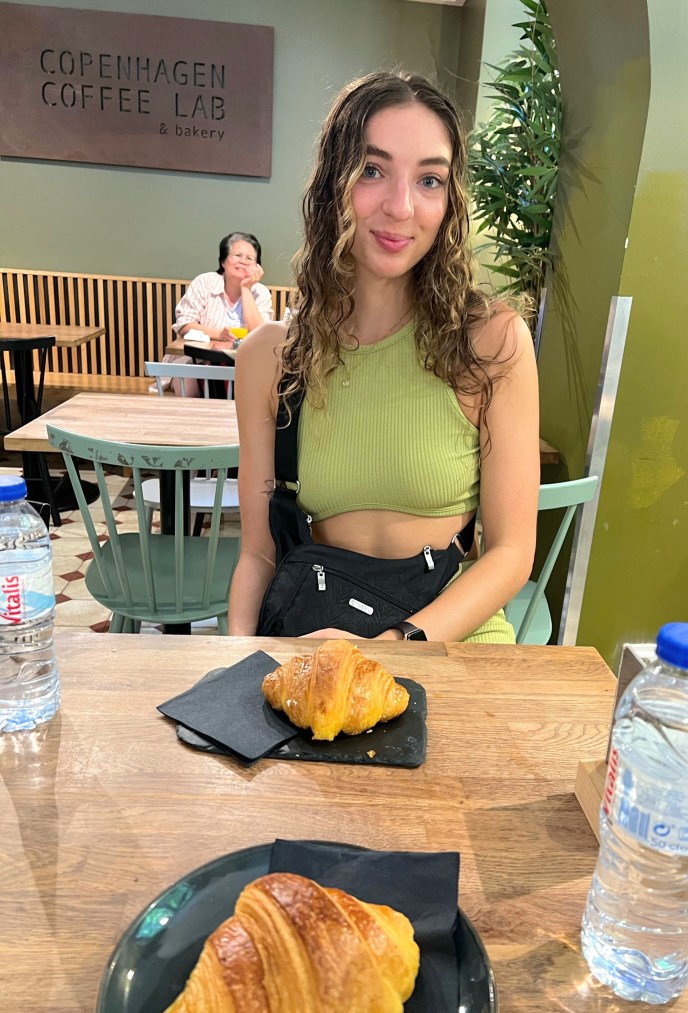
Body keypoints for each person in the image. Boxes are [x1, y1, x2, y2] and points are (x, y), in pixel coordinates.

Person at [229, 71, 540, 642]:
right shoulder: (269, 358)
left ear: (450, 202)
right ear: (334, 182)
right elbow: (259, 555)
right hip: (313, 643)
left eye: (429, 180)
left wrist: (395, 648)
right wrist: (239, 663)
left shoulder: (492, 343)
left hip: (451, 642)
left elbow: (511, 553)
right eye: (372, 171)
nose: (401, 207)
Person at [162, 232, 275, 395]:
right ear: (223, 261)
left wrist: (246, 288)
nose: (243, 261)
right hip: (198, 361)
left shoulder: (260, 292)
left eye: (250, 258)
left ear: (257, 267)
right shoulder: (204, 282)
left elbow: (260, 334)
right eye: (237, 255)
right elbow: (184, 324)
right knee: (187, 384)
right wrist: (219, 334)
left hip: (244, 366)